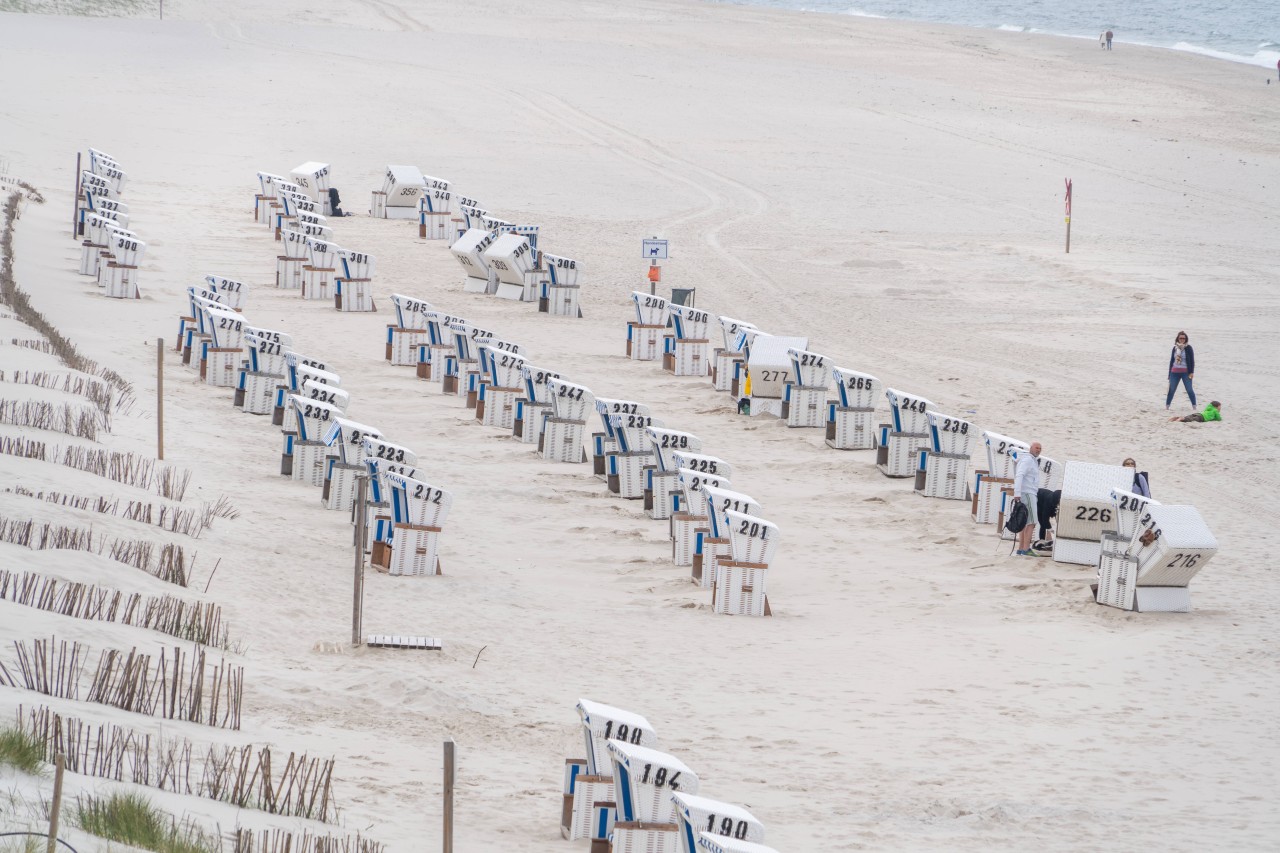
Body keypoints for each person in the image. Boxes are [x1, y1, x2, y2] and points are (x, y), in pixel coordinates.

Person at [1012, 442, 1042, 555]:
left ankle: (1021, 549)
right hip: (1028, 493)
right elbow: (1019, 475)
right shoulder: (1028, 460)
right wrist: (1017, 493)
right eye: (1036, 448)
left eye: (1040, 448)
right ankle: (1026, 549)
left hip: (1028, 492)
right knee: (1032, 522)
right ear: (1030, 448)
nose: (1038, 450)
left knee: (1024, 522)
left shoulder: (1031, 460)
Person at [1165, 331, 1196, 409]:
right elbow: (1171, 361)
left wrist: (1191, 372)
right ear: (1178, 339)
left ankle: (1194, 407)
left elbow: (1192, 361)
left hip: (1186, 373)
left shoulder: (1188, 348)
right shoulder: (1175, 348)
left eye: (1184, 338)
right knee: (1171, 390)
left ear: (1186, 339)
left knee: (1189, 390)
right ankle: (1167, 407)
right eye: (1180, 338)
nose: (1182, 339)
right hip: (1174, 372)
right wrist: (1169, 374)